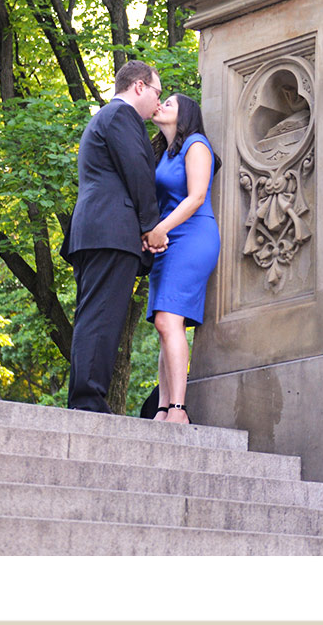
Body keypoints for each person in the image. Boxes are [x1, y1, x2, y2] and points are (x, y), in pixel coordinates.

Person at [63, 60, 165, 413]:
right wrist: (151, 227)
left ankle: (85, 398)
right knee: (101, 316)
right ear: (139, 86)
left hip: (96, 231)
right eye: (157, 93)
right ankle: (88, 402)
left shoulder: (106, 118)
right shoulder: (121, 116)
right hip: (110, 232)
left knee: (94, 315)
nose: (158, 102)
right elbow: (137, 171)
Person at [144, 93, 220, 424]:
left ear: (185, 115)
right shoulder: (164, 154)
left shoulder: (196, 144)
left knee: (168, 321)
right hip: (166, 241)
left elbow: (197, 196)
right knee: (164, 324)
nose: (161, 105)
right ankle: (163, 408)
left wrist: (160, 229)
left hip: (192, 237)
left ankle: (178, 409)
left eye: (170, 104)